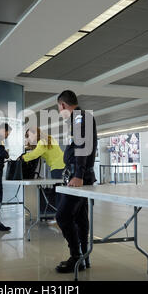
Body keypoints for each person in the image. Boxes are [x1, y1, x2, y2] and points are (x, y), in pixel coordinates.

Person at [55, 90, 97, 273]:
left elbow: (81, 147)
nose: (59, 112)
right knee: (80, 217)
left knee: (62, 216)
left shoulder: (79, 118)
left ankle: (76, 257)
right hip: (81, 175)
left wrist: (78, 175)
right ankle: (84, 257)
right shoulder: (81, 118)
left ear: (63, 105)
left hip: (80, 176)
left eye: (58, 108)